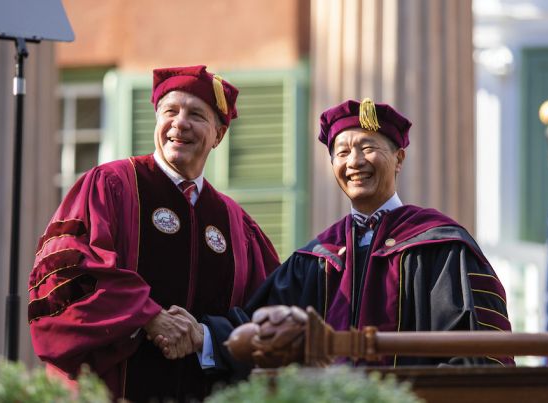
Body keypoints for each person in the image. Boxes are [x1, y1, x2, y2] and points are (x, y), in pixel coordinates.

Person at [198, 98, 514, 375]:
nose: (355, 161)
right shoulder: (316, 258)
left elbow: (479, 349)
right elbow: (259, 328)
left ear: (399, 159)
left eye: (368, 147)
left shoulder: (441, 246)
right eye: (343, 152)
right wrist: (202, 335)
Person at [27, 65, 280, 402]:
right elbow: (66, 275)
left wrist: (204, 336)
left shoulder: (236, 224)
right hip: (112, 391)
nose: (180, 123)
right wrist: (148, 316)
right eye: (170, 111)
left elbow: (266, 315)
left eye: (197, 115)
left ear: (218, 135)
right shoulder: (111, 186)